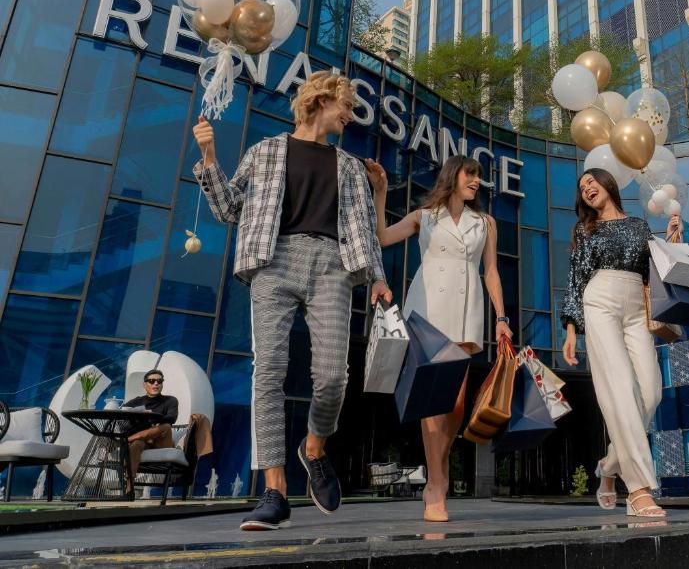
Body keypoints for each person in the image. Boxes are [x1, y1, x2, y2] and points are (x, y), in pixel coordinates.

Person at [193, 71, 392, 531]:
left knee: (331, 378)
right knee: (269, 373)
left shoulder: (348, 166)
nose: (350, 115)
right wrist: (208, 156)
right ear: (321, 101)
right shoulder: (264, 151)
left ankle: (315, 448)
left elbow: (363, 229)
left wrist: (378, 278)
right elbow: (227, 209)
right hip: (273, 260)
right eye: (346, 106)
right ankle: (274, 491)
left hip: (333, 267)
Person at [364, 154, 511, 522]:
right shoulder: (424, 216)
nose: (476, 181)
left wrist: (502, 318)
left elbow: (491, 273)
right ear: (452, 176)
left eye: (478, 176)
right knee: (431, 401)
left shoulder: (486, 223)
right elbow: (382, 237)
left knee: (457, 403)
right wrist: (381, 192)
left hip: (467, 313)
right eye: (470, 174)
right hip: (427, 311)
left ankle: (437, 468)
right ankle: (436, 483)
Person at [559, 168, 681, 518]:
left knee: (651, 392)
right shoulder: (585, 229)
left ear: (607, 184)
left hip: (636, 304)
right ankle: (639, 490)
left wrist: (670, 238)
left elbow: (653, 271)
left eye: (591, 182)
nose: (587, 189)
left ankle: (608, 466)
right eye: (582, 188)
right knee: (620, 388)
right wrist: (571, 329)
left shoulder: (639, 225)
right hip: (600, 300)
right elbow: (576, 279)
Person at [124, 369, 178, 480]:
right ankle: (130, 483)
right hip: (144, 442)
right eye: (152, 381)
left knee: (166, 426)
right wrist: (138, 415)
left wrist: (152, 415)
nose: (156, 383)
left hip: (161, 442)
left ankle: (127, 439)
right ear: (145, 384)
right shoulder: (137, 402)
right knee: (136, 445)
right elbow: (122, 413)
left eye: (159, 381)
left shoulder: (170, 400)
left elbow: (171, 418)